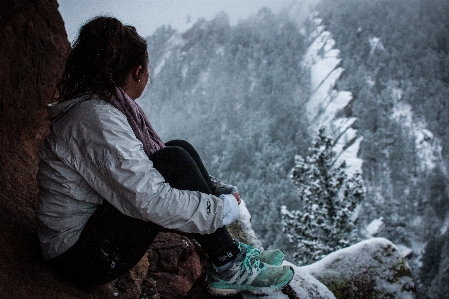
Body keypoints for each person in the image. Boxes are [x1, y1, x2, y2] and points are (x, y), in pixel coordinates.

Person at [36, 16, 293, 296]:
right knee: (172, 161)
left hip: (85, 236)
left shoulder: (99, 110)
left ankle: (227, 252)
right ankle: (228, 264)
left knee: (176, 149)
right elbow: (150, 201)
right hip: (79, 258)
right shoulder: (97, 119)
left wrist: (213, 190)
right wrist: (219, 209)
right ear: (137, 71)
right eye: (147, 68)